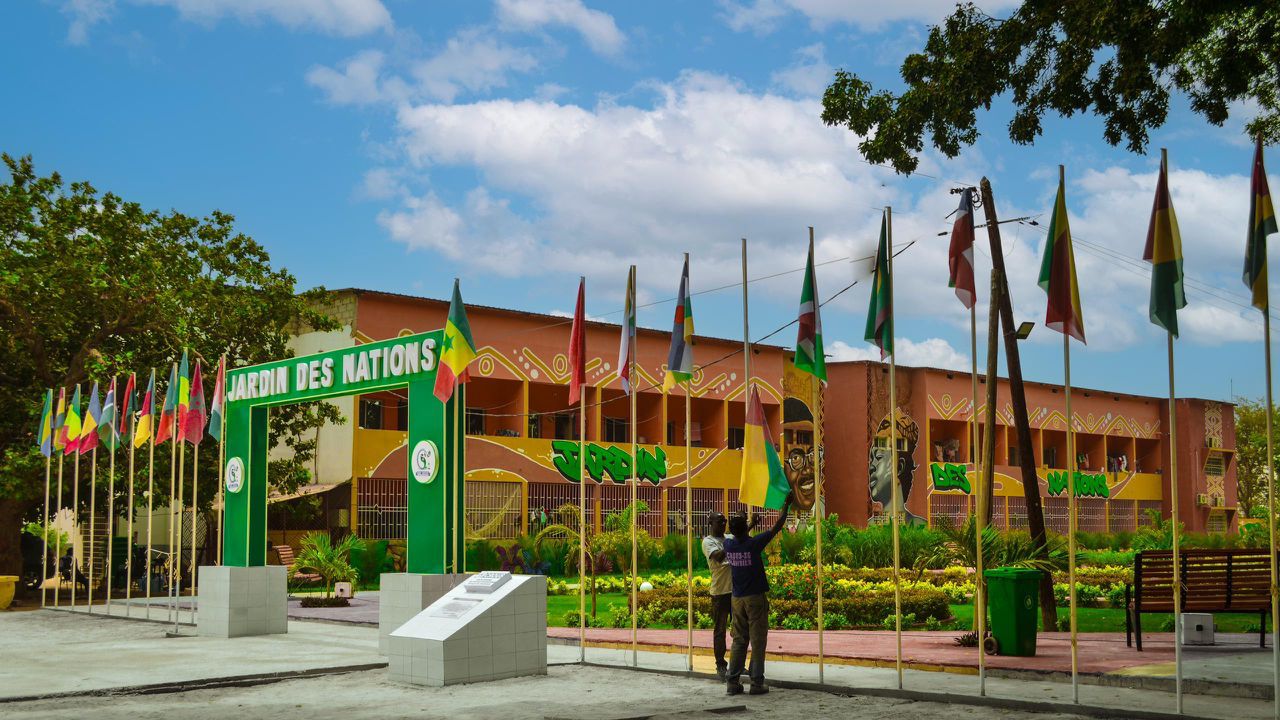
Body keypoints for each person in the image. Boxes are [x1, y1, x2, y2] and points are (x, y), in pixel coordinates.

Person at [723, 492, 793, 695]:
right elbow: (776, 527)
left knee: (739, 640)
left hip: (736, 599)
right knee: (758, 640)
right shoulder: (753, 545)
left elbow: (739, 535)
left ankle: (732, 682)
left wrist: (748, 524)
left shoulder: (729, 544)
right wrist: (785, 506)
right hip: (755, 598)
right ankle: (756, 682)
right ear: (745, 528)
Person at [700, 511, 732, 679]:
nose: (723, 524)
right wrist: (732, 543)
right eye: (720, 521)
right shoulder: (708, 542)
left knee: (741, 630)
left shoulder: (729, 538)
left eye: (725, 521)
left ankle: (737, 664)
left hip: (735, 592)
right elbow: (718, 557)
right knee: (720, 630)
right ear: (710, 523)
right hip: (719, 593)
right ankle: (720, 665)